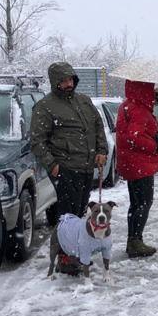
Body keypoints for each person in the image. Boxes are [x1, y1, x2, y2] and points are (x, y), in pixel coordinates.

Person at [31, 61, 108, 218]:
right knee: (68, 217)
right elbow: (37, 140)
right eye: (64, 80)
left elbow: (98, 125)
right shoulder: (45, 106)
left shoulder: (84, 101)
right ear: (55, 82)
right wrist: (52, 165)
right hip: (66, 169)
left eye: (71, 80)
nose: (69, 84)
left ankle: (75, 242)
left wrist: (102, 150)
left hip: (86, 168)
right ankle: (64, 242)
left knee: (80, 213)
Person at [116, 80, 158, 257]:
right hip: (140, 164)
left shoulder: (128, 106)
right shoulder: (138, 109)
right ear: (143, 89)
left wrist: (154, 124)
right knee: (144, 202)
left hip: (132, 163)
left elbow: (132, 133)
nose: (152, 91)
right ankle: (135, 241)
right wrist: (154, 145)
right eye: (150, 88)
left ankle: (133, 240)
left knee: (136, 203)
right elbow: (133, 137)